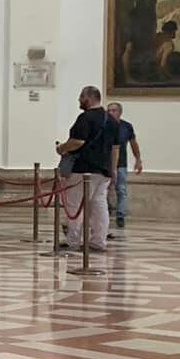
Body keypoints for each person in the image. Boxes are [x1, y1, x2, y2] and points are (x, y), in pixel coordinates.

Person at [56, 86, 116, 256]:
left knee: (74, 204)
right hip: (103, 170)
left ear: (88, 98)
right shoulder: (111, 120)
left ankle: (73, 241)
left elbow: (78, 141)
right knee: (99, 205)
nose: (79, 101)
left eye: (81, 97)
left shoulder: (85, 118)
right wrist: (113, 169)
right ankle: (98, 240)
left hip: (83, 169)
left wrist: (62, 148)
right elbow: (115, 148)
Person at [106, 101, 142, 230]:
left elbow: (133, 143)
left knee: (121, 189)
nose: (110, 113)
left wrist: (138, 159)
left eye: (113, 110)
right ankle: (106, 211)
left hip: (121, 163)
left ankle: (120, 214)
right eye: (109, 110)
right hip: (105, 163)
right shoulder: (103, 125)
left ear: (120, 112)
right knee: (104, 189)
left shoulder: (126, 127)